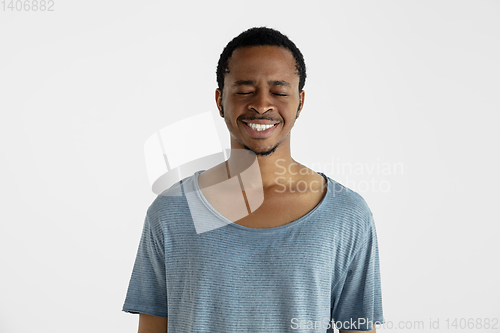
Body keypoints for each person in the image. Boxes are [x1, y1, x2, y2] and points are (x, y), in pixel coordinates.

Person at [122, 26, 384, 333]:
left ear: (300, 102)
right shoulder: (171, 212)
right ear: (220, 100)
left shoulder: (347, 215)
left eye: (279, 91)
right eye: (245, 90)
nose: (261, 104)